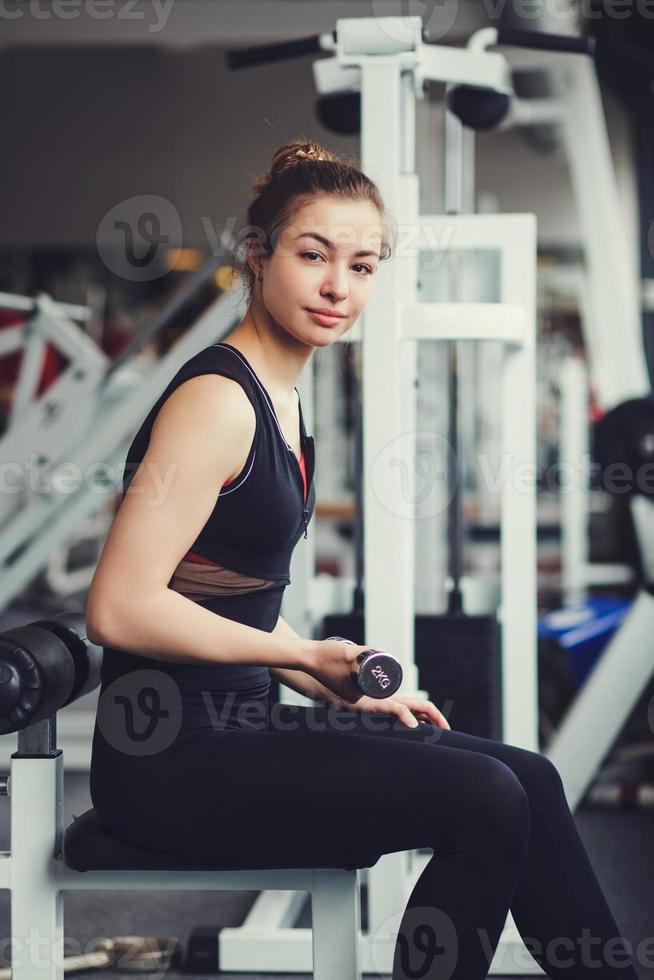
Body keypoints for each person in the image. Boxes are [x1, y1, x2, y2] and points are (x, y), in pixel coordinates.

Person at [86, 137, 640, 980]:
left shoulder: (283, 397)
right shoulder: (217, 403)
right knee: (485, 800)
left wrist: (324, 676)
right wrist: (299, 654)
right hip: (171, 763)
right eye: (313, 256)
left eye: (364, 265)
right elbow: (119, 608)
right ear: (258, 255)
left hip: (238, 729)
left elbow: (229, 593)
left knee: (526, 773)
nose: (339, 287)